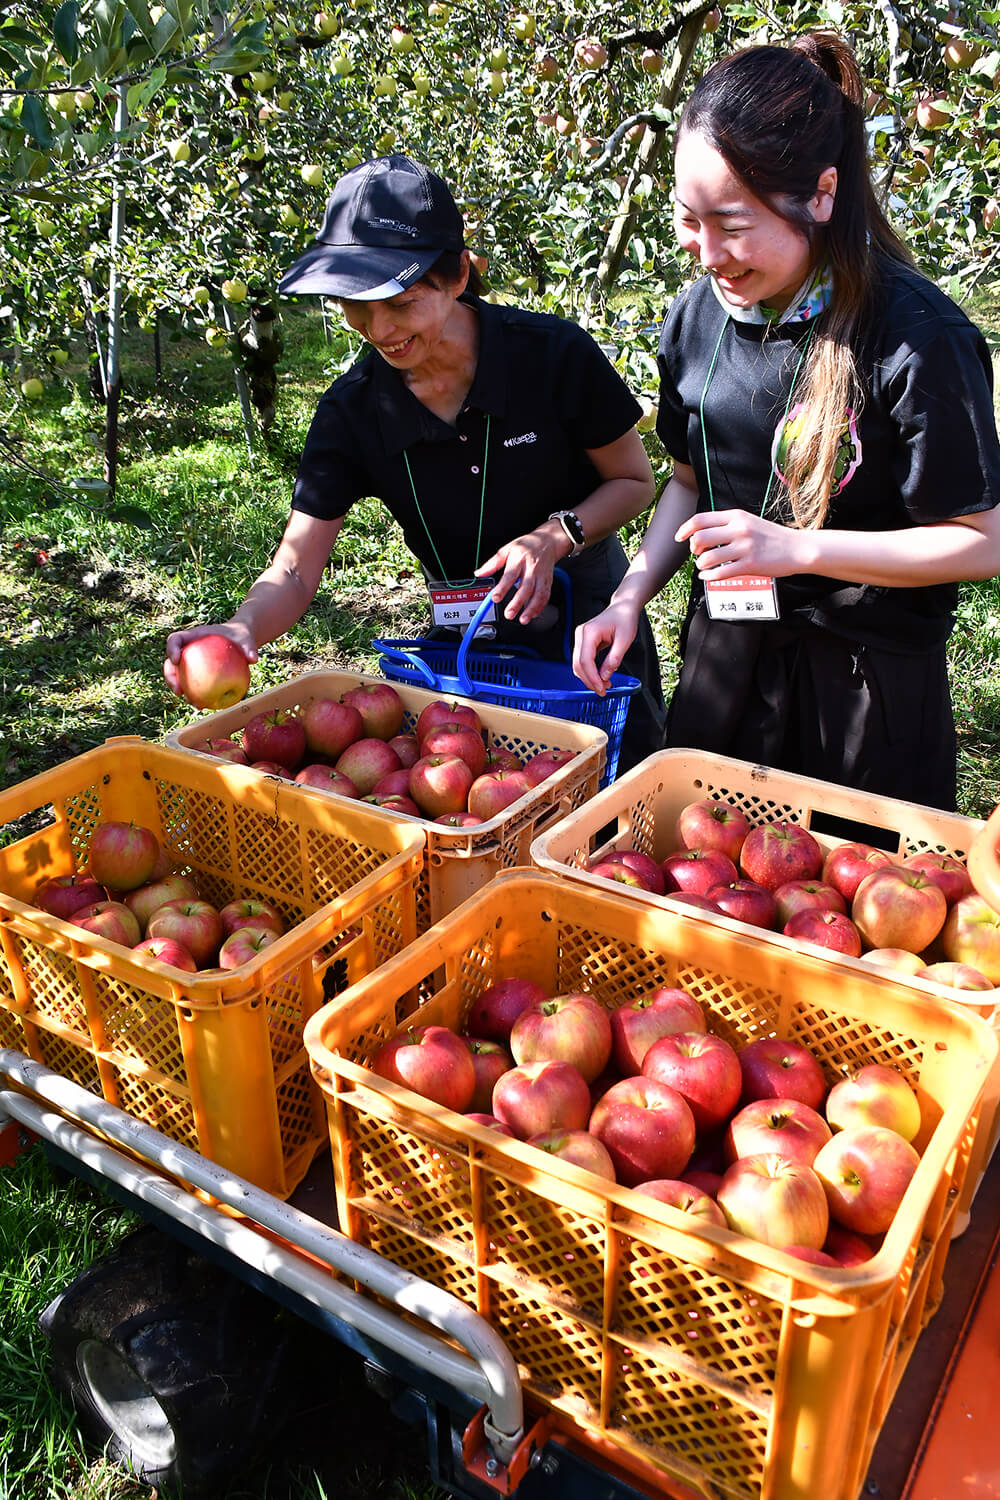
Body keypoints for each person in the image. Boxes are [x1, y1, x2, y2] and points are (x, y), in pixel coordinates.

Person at [573, 31, 1000, 811]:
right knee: (702, 889)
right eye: (687, 220)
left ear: (824, 193)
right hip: (728, 657)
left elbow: (982, 541)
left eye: (732, 226)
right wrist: (630, 596)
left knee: (845, 908)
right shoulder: (697, 316)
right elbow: (688, 481)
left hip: (863, 686)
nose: (706, 253)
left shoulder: (915, 338)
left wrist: (797, 549)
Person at [164, 155, 665, 772]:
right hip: (466, 645)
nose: (377, 329)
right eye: (354, 304)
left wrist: (556, 535)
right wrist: (243, 631)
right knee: (485, 802)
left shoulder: (552, 358)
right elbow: (295, 567)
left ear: (457, 274)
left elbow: (634, 480)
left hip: (589, 631)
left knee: (612, 796)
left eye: (398, 301)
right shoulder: (353, 413)